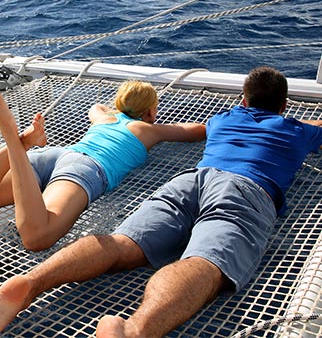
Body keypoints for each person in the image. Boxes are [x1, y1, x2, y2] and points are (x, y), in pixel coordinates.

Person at [0, 66, 321, 338]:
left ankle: (28, 283)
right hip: (247, 190)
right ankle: (133, 330)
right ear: (284, 106)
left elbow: (200, 127)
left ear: (243, 100)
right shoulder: (297, 130)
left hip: (191, 179)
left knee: (121, 243)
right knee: (206, 262)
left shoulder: (224, 120)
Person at [0, 79, 206, 252]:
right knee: (38, 236)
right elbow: (193, 130)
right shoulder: (148, 129)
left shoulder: (104, 118)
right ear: (151, 112)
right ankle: (11, 136)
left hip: (56, 154)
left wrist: (116, 110)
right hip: (85, 167)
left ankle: (23, 143)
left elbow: (95, 107)